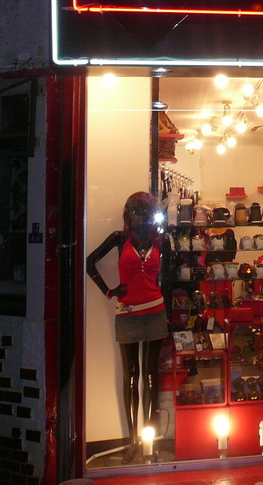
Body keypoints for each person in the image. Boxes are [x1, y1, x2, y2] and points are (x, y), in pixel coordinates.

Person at [86, 191, 168, 464]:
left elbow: (167, 277)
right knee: (131, 376)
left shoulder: (161, 241)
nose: (139, 217)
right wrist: (109, 291)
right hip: (128, 314)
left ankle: (150, 441)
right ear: (127, 214)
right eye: (135, 212)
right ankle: (133, 441)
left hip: (155, 311)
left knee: (151, 376)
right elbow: (89, 262)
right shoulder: (119, 240)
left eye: (144, 212)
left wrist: (165, 303)